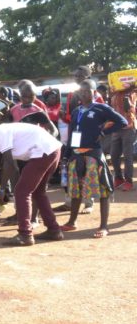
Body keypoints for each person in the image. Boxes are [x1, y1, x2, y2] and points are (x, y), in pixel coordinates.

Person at [0, 121, 63, 246]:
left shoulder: (0, 132)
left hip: (43, 152)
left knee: (21, 192)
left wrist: (2, 189)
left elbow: (10, 165)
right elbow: (8, 164)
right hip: (51, 150)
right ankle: (54, 230)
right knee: (38, 192)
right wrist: (2, 188)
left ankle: (25, 234)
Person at [60, 80, 127, 238]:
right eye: (81, 91)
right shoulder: (76, 111)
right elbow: (71, 134)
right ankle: (72, 222)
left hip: (93, 155)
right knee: (75, 190)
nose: (84, 94)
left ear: (94, 92)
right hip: (76, 155)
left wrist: (103, 133)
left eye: (87, 91)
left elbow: (122, 122)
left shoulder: (101, 108)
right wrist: (66, 155)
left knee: (103, 189)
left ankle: (104, 226)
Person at [109, 86, 136, 191]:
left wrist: (128, 93)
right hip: (117, 128)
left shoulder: (131, 93)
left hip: (129, 127)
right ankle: (119, 178)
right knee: (114, 155)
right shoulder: (114, 95)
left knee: (127, 155)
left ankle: (128, 181)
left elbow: (129, 108)